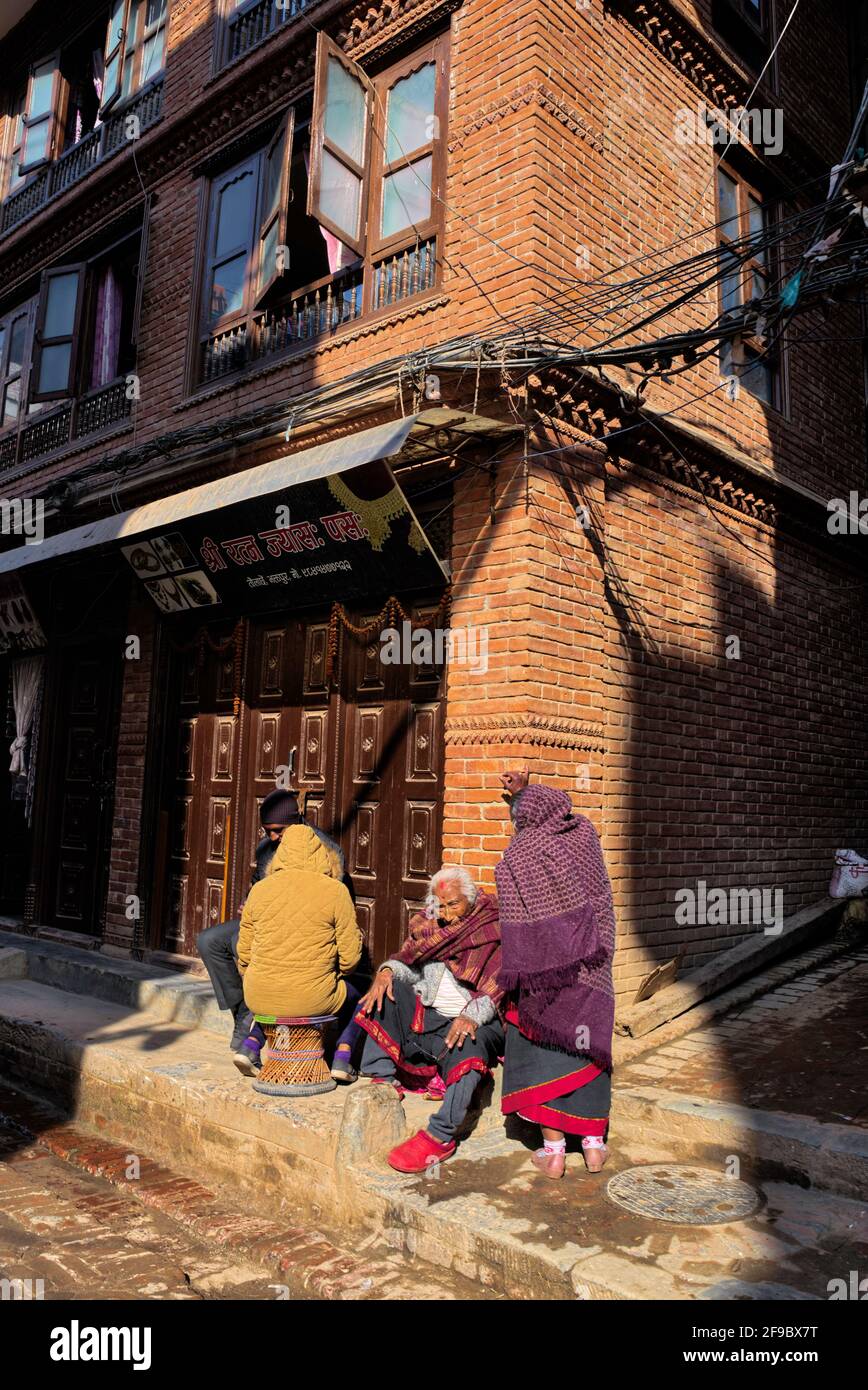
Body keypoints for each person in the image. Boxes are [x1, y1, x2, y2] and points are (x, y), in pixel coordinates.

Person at [496, 774, 615, 1178]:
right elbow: (601, 896)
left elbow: (515, 914)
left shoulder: (521, 851)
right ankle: (595, 1147)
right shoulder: (584, 835)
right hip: (592, 966)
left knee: (547, 1050)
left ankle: (555, 1152)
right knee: (588, 1047)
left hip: (543, 973)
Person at [356, 866, 504, 1174]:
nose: (448, 913)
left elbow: (498, 987)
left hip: (473, 1018)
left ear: (471, 899)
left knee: (469, 1049)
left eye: (454, 904)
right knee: (388, 988)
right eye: (442, 905)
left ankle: (441, 1134)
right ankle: (382, 1076)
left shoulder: (492, 926)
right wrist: (386, 971)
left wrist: (470, 1016)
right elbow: (409, 964)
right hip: (431, 1017)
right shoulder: (428, 926)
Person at [196, 787, 353, 1076]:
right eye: (267, 831)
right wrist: (250, 902)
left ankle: (251, 1017)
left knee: (241, 943)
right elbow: (258, 886)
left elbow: (338, 903)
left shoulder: (326, 849)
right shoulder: (265, 847)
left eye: (278, 830)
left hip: (303, 928)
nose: (272, 837)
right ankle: (244, 1005)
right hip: (268, 918)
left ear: (296, 823)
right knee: (210, 941)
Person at [236, 823, 363, 1057]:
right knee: (359, 999)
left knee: (275, 993)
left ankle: (251, 1044)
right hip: (313, 998)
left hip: (257, 995)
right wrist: (335, 973)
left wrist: (254, 974)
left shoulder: (259, 890)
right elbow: (350, 959)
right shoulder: (336, 891)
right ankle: (343, 1058)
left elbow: (244, 954)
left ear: (280, 854)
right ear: (321, 854)